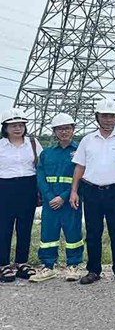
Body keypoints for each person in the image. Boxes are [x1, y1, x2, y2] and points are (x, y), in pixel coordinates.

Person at [69, 99, 115, 284]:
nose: (108, 120)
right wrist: (74, 191)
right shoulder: (87, 140)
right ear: (97, 117)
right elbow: (79, 166)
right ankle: (93, 270)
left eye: (111, 116)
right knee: (93, 232)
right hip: (91, 191)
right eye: (104, 116)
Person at [30, 114, 83, 283]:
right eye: (60, 129)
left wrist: (63, 197)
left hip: (71, 200)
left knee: (73, 233)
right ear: (54, 131)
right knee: (48, 233)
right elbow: (40, 176)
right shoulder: (47, 153)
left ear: (73, 129)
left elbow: (81, 176)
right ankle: (48, 266)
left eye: (67, 128)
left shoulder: (80, 152)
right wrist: (50, 196)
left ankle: (73, 265)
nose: (64, 131)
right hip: (50, 202)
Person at [0, 108, 43, 282]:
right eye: (13, 125)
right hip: (5, 187)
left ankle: (21, 262)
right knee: (4, 227)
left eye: (21, 125)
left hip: (28, 186)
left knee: (25, 226)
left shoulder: (33, 143)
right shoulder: (1, 145)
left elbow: (41, 165)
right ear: (5, 128)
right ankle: (3, 264)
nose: (18, 128)